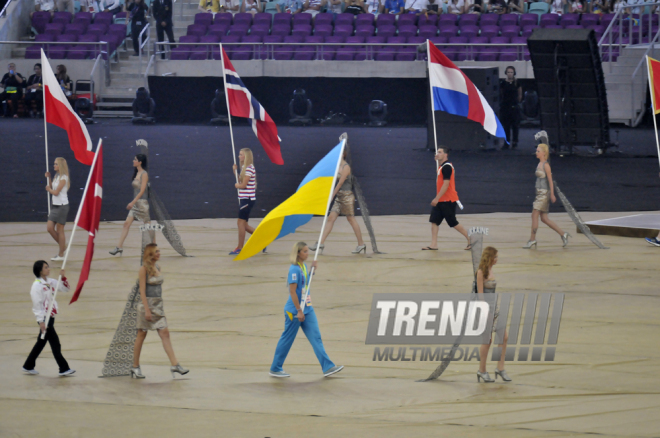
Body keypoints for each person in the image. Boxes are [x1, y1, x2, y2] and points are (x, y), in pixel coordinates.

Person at [269, 242, 344, 378]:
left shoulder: (302, 266)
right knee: (287, 339)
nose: (307, 253)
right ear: (298, 253)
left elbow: (304, 285)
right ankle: (275, 367)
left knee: (316, 337)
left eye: (307, 251)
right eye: (304, 251)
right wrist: (299, 310)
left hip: (307, 309)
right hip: (295, 311)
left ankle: (327, 366)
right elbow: (292, 292)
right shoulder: (294, 269)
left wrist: (312, 272)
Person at [131, 244, 189, 379]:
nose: (159, 253)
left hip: (158, 305)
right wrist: (147, 310)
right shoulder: (143, 269)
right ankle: (135, 366)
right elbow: (142, 291)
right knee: (141, 335)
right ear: (150, 253)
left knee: (165, 333)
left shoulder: (157, 267)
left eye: (159, 251)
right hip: (147, 305)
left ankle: (175, 364)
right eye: (156, 251)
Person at [22, 260, 76, 376]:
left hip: (50, 316)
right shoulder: (36, 286)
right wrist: (41, 321)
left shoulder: (51, 282)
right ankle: (64, 368)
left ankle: (28, 365)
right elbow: (37, 305)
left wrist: (63, 277)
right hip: (45, 319)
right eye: (46, 267)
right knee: (55, 344)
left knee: (41, 343)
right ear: (40, 271)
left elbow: (65, 289)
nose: (49, 269)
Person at [310, 148, 366, 254]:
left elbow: (340, 183)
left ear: (342, 155)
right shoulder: (338, 167)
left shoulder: (346, 167)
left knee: (351, 220)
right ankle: (320, 244)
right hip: (339, 196)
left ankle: (361, 244)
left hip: (346, 196)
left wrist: (332, 196)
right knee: (331, 218)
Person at [475, 247, 511, 383]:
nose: (496, 260)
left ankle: (500, 367)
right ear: (489, 257)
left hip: (495, 308)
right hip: (486, 310)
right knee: (487, 340)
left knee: (504, 337)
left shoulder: (491, 270)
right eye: (495, 257)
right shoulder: (480, 273)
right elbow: (480, 295)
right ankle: (482, 370)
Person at [524, 143, 570, 249]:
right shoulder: (539, 164)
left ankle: (532, 240)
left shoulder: (546, 165)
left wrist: (552, 194)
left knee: (534, 215)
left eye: (538, 151)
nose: (536, 153)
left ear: (544, 153)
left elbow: (550, 181)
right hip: (539, 193)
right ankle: (563, 234)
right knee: (544, 218)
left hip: (543, 194)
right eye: (536, 151)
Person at [424, 147, 471, 251]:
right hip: (441, 200)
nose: (437, 154)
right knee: (434, 221)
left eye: (440, 152)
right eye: (437, 152)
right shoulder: (442, 167)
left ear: (446, 155)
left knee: (453, 222)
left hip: (448, 200)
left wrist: (436, 198)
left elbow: (446, 184)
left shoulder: (447, 167)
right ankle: (434, 244)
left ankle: (471, 239)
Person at [110, 154, 153, 256]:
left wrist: (132, 202)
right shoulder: (137, 172)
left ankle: (153, 248)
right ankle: (119, 247)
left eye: (135, 159)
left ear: (140, 162)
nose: (133, 161)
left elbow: (142, 191)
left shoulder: (144, 174)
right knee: (126, 224)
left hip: (142, 204)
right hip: (135, 205)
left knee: (148, 227)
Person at [230, 148, 258, 255]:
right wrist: (235, 172)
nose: (239, 156)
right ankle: (262, 240)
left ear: (246, 156)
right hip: (244, 199)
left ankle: (240, 247)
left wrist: (237, 186)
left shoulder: (249, 168)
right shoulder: (244, 168)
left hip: (247, 199)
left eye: (241, 154)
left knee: (240, 222)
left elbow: (243, 185)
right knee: (244, 225)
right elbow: (240, 181)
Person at [45, 157, 70, 261]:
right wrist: (49, 178)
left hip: (62, 206)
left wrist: (49, 189)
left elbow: (55, 192)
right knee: (50, 228)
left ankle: (61, 254)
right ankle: (63, 246)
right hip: (55, 205)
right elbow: (52, 187)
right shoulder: (57, 176)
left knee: (60, 229)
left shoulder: (64, 177)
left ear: (61, 166)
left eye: (56, 164)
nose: (54, 165)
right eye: (54, 163)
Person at [500, 66, 522, 150]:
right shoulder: (503, 83)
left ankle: (515, 141)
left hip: (514, 106)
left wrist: (517, 102)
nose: (510, 74)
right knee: (506, 126)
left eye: (511, 72)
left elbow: (520, 94)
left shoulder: (517, 83)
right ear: (506, 73)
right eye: (508, 72)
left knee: (515, 125)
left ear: (514, 73)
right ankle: (507, 142)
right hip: (505, 106)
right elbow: (501, 94)